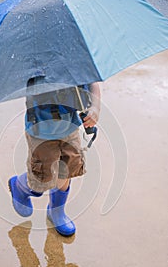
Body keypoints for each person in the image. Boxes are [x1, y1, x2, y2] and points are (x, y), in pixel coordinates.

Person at [8, 79, 101, 236]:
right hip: (41, 132)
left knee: (67, 170)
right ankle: (19, 185)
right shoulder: (34, 68)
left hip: (70, 127)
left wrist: (95, 108)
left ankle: (56, 212)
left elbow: (93, 83)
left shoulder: (75, 61)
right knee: (42, 180)